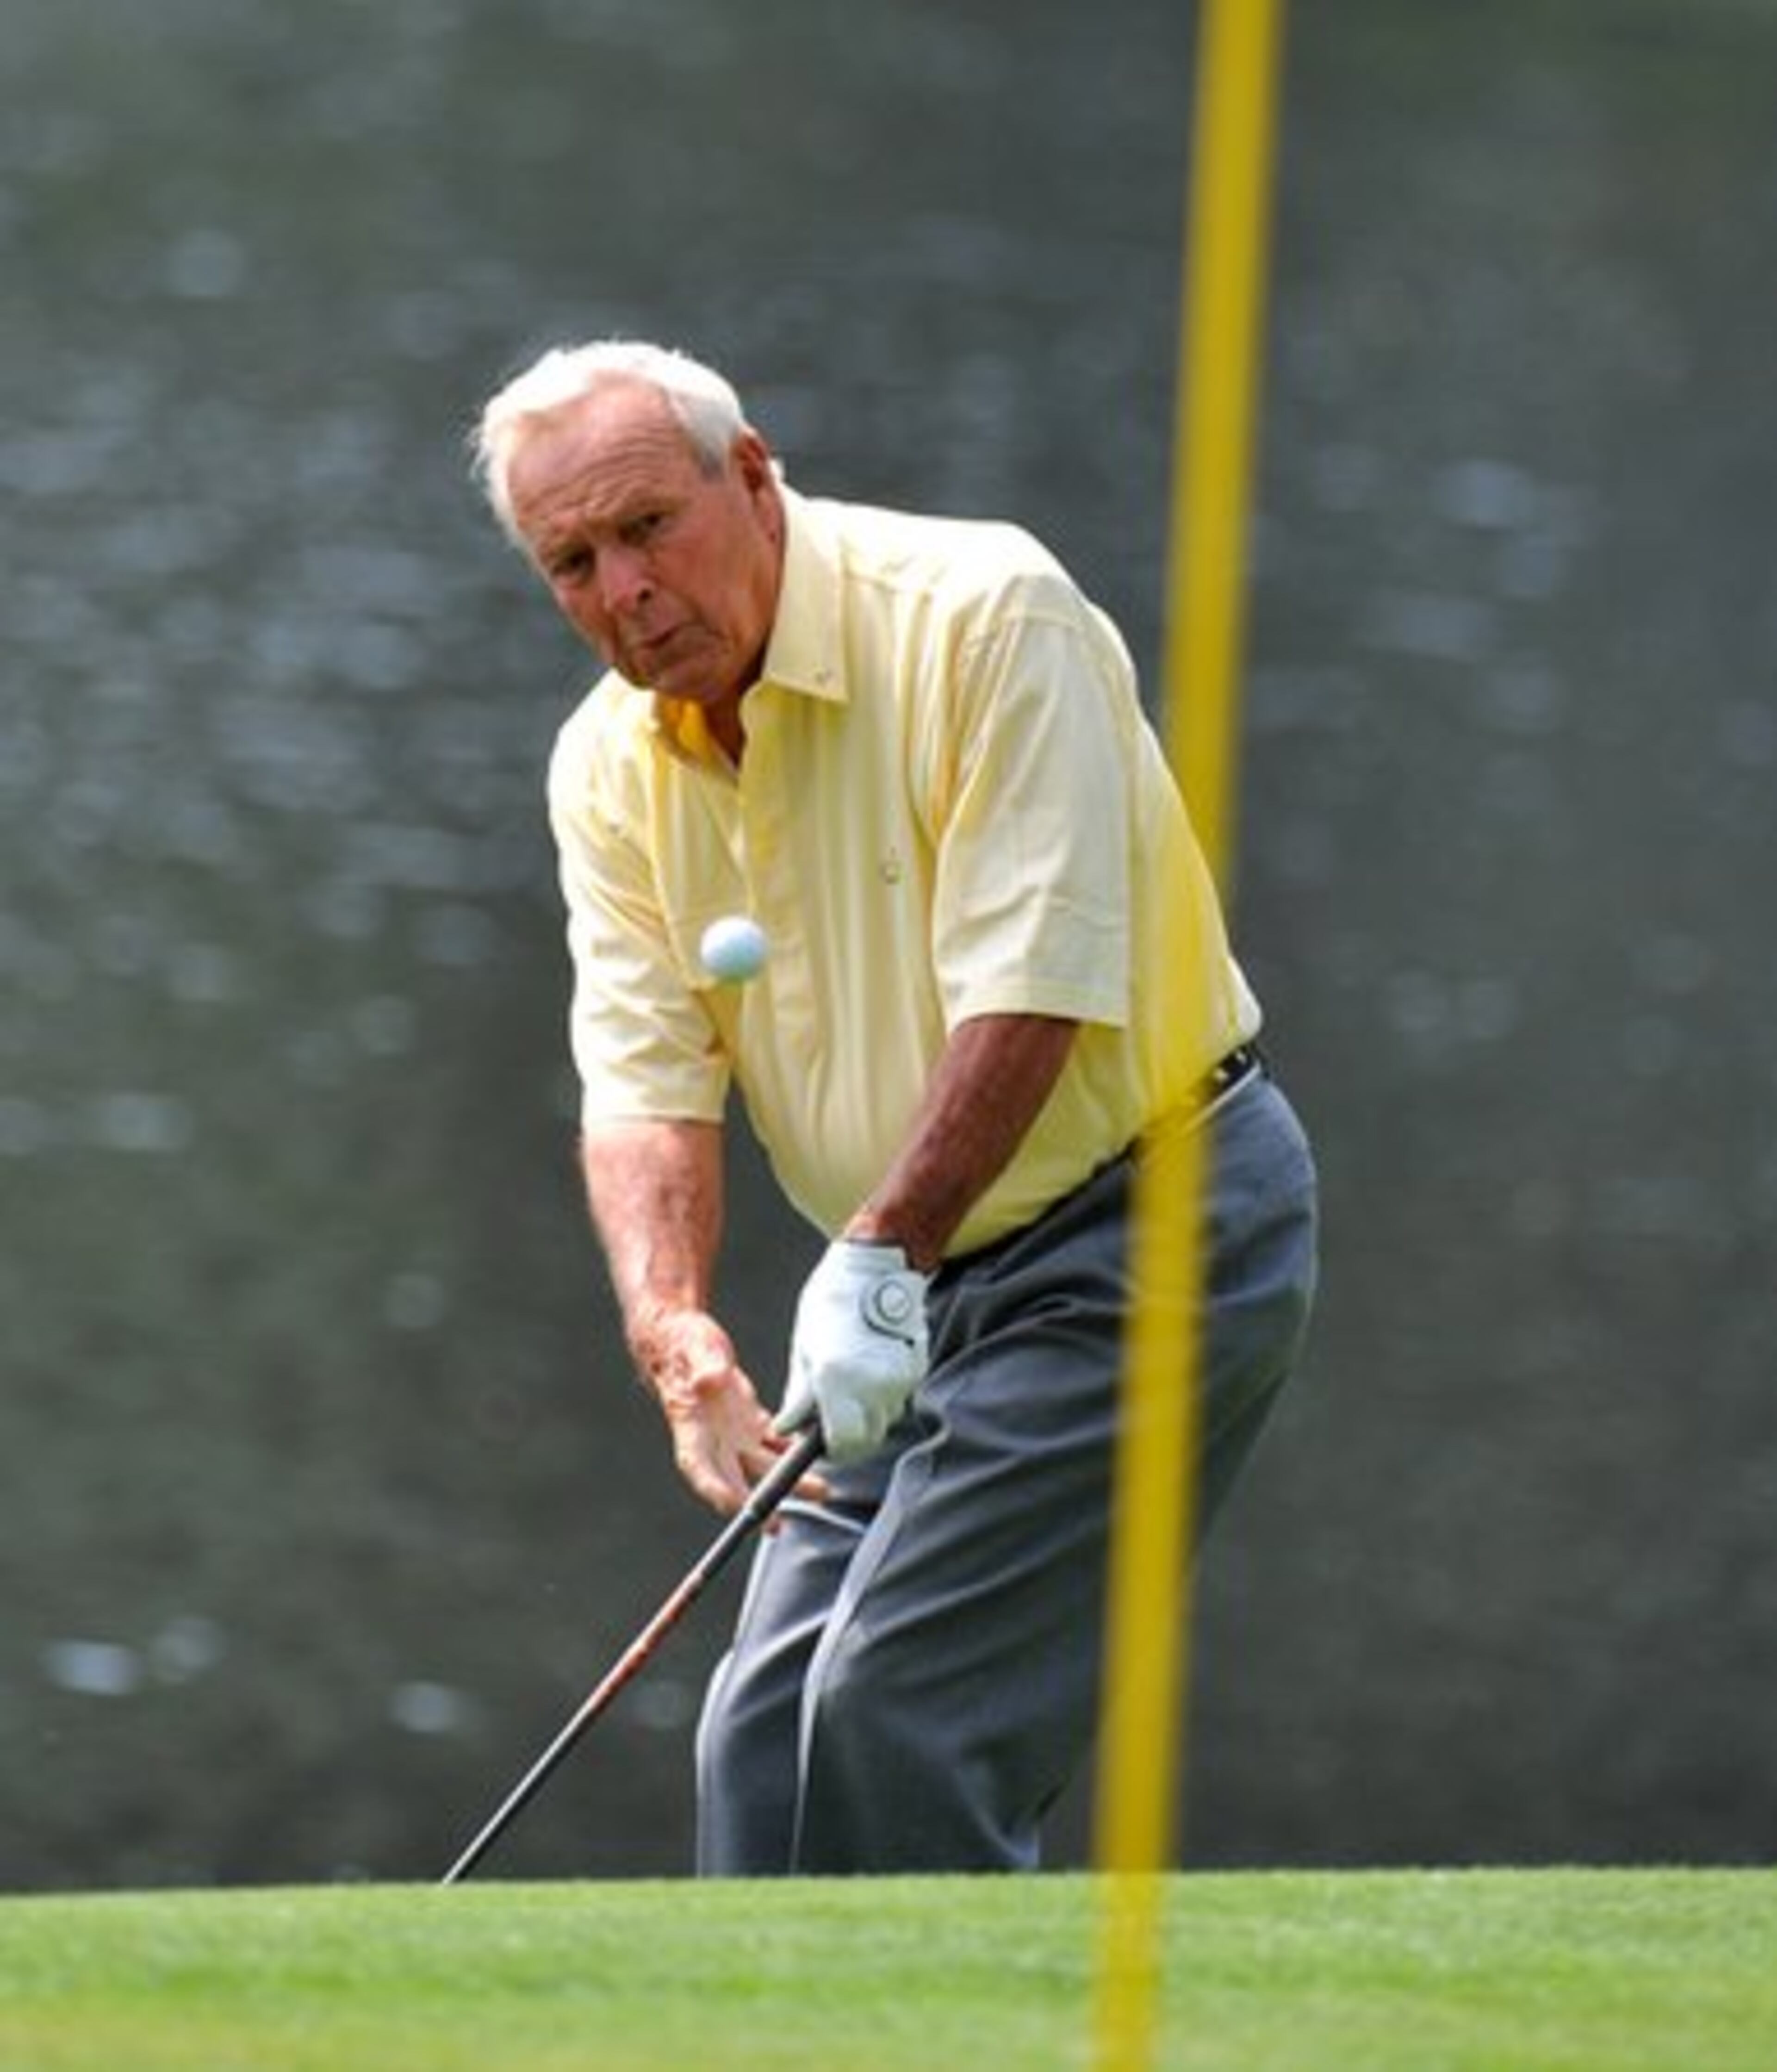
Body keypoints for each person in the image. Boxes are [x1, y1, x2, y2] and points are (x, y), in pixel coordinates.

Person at [472, 338, 1318, 1875]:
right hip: (899, 1289)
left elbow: (1038, 990)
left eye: (649, 527)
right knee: (763, 1738)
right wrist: (678, 1342)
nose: (624, 590)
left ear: (751, 474)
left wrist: (873, 1261)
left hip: (1147, 1229)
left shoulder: (986, 616)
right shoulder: (607, 766)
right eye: (573, 563)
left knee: (894, 1717)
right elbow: (645, 1082)